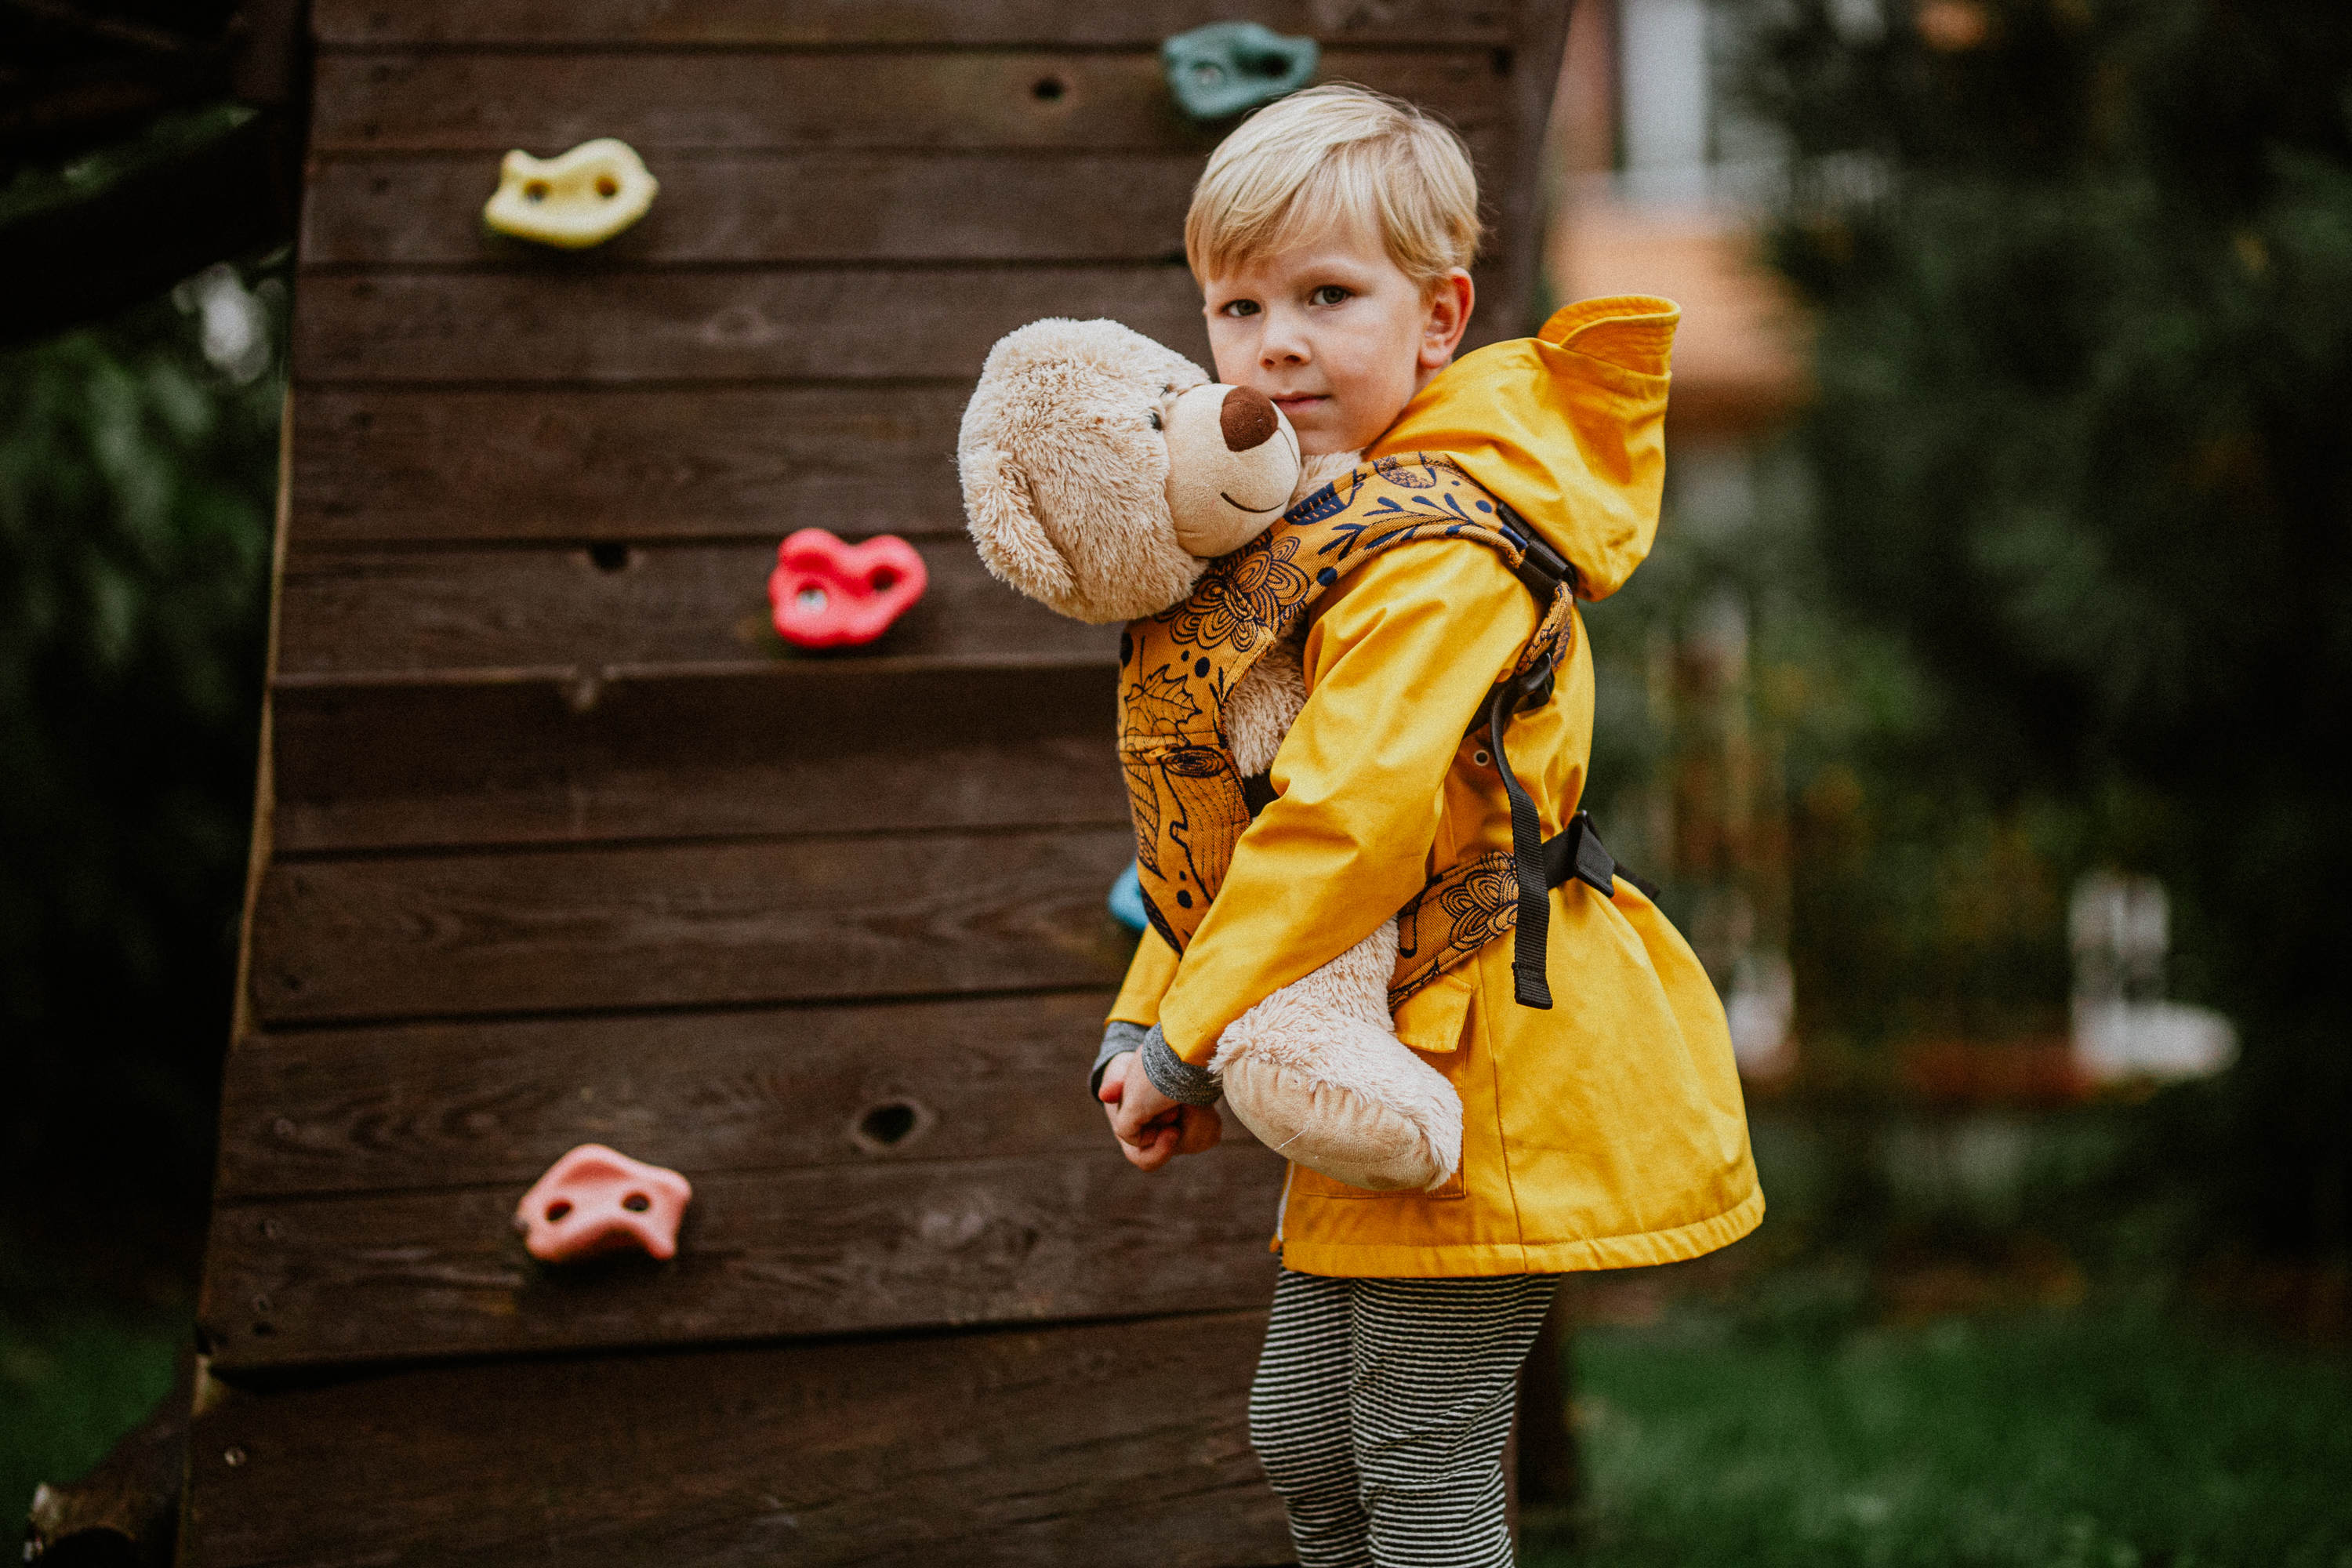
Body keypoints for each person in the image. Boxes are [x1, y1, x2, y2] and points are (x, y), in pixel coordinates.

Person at [1088, 85, 1763, 1567]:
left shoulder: (1438, 550)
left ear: (1439, 315)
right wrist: (1151, 1008)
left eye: (1328, 296)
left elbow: (1346, 817)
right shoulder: (1319, 533)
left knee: (1416, 1448)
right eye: (1238, 302)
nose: (1275, 343)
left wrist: (1185, 1040)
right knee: (1300, 1429)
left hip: (1493, 1055)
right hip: (1382, 1036)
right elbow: (1236, 822)